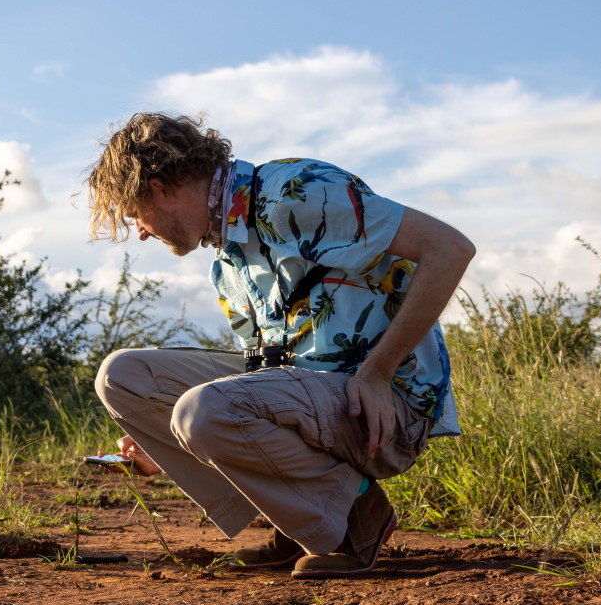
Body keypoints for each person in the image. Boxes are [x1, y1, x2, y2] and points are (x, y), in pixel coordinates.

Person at [87, 113, 475, 578]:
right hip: (314, 402)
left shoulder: (297, 191)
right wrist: (170, 448)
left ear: (159, 187)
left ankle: (355, 516)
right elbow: (260, 384)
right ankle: (296, 521)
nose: (143, 232)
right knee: (122, 376)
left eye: (136, 216)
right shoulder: (227, 264)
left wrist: (378, 370)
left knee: (201, 411)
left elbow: (450, 248)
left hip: (383, 407)